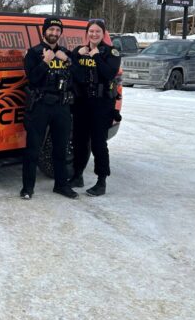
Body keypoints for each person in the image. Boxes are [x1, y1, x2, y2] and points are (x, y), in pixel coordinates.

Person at [21, 17, 78, 200]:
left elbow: (79, 77)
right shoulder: (33, 53)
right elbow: (33, 79)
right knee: (33, 149)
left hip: (61, 106)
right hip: (40, 105)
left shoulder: (65, 53)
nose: (54, 33)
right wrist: (45, 62)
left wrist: (68, 60)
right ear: (44, 31)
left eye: (57, 30)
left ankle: (61, 185)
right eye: (51, 30)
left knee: (60, 148)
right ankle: (27, 188)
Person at [69, 18, 121, 197]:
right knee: (79, 141)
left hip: (101, 104)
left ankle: (101, 181)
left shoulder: (111, 52)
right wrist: (77, 57)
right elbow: (73, 73)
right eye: (91, 31)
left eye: (98, 31)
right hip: (81, 102)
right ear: (87, 33)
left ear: (103, 33)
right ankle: (77, 175)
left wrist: (96, 56)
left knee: (99, 143)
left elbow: (109, 73)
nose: (94, 34)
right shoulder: (79, 51)